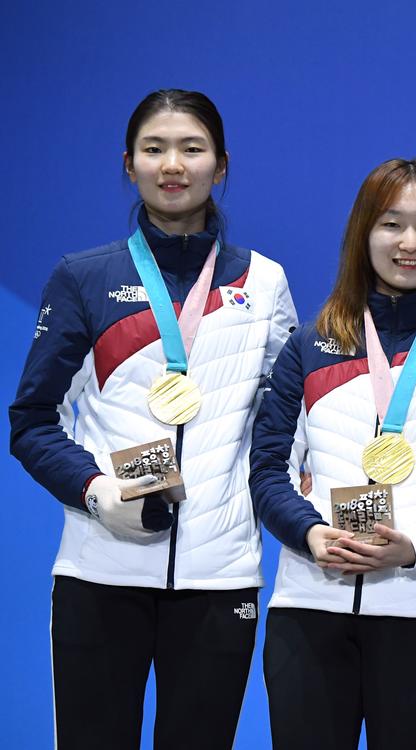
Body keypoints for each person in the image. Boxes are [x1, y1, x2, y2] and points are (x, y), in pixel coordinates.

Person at [8, 89, 297, 749]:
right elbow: (31, 421)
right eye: (154, 148)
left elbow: (285, 426)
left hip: (219, 578)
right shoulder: (84, 277)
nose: (173, 164)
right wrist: (96, 490)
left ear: (220, 165)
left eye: (192, 149)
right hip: (100, 573)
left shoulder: (265, 282)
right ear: (128, 163)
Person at [249, 158, 416, 749]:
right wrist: (312, 536)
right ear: (363, 233)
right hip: (309, 609)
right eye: (392, 224)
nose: (410, 243)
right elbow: (268, 468)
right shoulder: (312, 341)